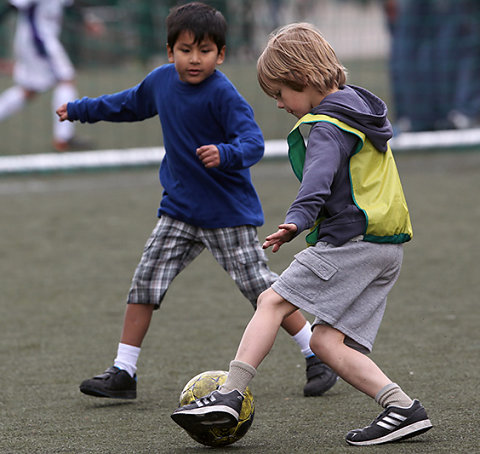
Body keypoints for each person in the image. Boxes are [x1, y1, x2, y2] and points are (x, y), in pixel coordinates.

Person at [56, 2, 338, 400]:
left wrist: (226, 154)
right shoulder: (160, 82)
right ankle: (124, 371)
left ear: (220, 54)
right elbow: (126, 104)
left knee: (262, 289)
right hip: (179, 210)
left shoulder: (223, 94)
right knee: (144, 284)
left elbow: (252, 143)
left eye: (204, 51)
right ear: (170, 51)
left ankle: (315, 355)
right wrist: (81, 110)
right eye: (185, 50)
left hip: (227, 215)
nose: (194, 59)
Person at [171, 23, 433, 447]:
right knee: (327, 342)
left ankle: (230, 393)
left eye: (279, 93)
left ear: (306, 79)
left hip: (352, 243)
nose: (278, 104)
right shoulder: (360, 108)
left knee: (270, 300)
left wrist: (296, 219)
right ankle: (403, 408)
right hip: (387, 249)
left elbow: (319, 178)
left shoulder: (328, 125)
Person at [0, 0, 102, 152]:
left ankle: (64, 137)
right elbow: (12, 6)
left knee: (28, 91)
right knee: (66, 80)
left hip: (40, 41)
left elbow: (70, 5)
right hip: (38, 42)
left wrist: (87, 20)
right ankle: (63, 138)